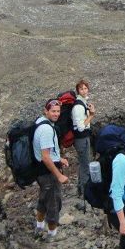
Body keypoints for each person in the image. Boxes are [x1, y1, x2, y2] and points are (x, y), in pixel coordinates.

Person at [33, 99, 69, 240]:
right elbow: (46, 157)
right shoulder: (47, 130)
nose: (56, 114)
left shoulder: (39, 122)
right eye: (53, 111)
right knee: (54, 203)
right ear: (46, 111)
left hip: (39, 171)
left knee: (43, 199)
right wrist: (59, 175)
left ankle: (39, 226)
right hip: (48, 173)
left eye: (58, 111)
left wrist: (59, 158)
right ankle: (51, 235)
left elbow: (45, 150)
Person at [72, 79, 95, 197]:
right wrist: (91, 116)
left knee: (83, 163)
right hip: (81, 138)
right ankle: (86, 194)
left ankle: (80, 190)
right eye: (81, 88)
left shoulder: (83, 103)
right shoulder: (78, 107)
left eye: (85, 88)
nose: (84, 90)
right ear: (78, 91)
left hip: (84, 137)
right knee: (85, 164)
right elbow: (80, 127)